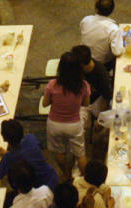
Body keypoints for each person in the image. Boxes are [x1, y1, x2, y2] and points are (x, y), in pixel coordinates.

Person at [43, 51, 90, 179]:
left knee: (60, 151)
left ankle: (66, 174)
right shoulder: (83, 86)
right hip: (74, 124)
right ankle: (83, 178)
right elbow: (86, 104)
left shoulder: (52, 85)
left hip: (55, 124)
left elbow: (45, 103)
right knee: (80, 154)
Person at [0, 119, 60, 191]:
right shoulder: (31, 138)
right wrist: (8, 153)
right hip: (51, 176)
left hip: (40, 189)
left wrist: (8, 155)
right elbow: (28, 151)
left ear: (5, 139)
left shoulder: (9, 158)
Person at [79, 0, 123, 70]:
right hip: (102, 64)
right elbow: (117, 52)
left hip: (83, 57)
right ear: (112, 10)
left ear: (96, 9)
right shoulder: (113, 29)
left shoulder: (86, 20)